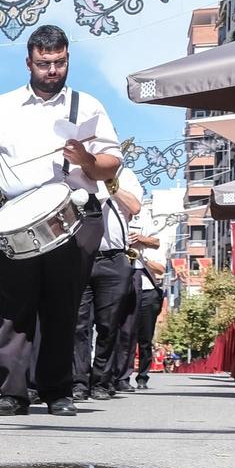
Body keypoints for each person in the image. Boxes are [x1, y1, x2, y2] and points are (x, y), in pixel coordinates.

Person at [0, 24, 121, 416]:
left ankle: (57, 391)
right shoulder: (0, 107)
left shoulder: (88, 107)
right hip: (15, 215)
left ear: (68, 59)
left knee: (61, 307)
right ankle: (13, 393)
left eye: (59, 62)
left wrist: (85, 158)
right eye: (43, 63)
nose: (52, 70)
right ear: (28, 62)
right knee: (15, 309)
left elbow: (110, 164)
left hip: (74, 215)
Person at [71, 163, 144, 401]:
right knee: (78, 325)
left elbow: (134, 206)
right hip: (81, 257)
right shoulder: (75, 174)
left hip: (113, 258)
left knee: (108, 325)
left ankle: (102, 381)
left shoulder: (125, 176)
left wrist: (110, 185)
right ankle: (78, 382)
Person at [126, 212, 168, 388]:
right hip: (127, 290)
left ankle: (142, 377)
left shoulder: (152, 248)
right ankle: (122, 377)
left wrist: (141, 257)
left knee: (145, 338)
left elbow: (160, 269)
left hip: (148, 292)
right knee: (126, 335)